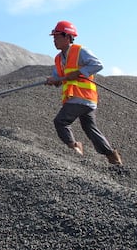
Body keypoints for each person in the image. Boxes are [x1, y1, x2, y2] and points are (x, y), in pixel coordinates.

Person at [45, 20, 123, 165]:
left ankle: (75, 151)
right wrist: (53, 81)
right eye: (53, 37)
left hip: (80, 97)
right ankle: (113, 158)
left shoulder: (80, 51)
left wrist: (79, 72)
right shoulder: (58, 59)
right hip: (80, 99)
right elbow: (60, 78)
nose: (54, 40)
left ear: (67, 37)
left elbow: (98, 65)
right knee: (90, 128)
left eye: (57, 37)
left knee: (60, 121)